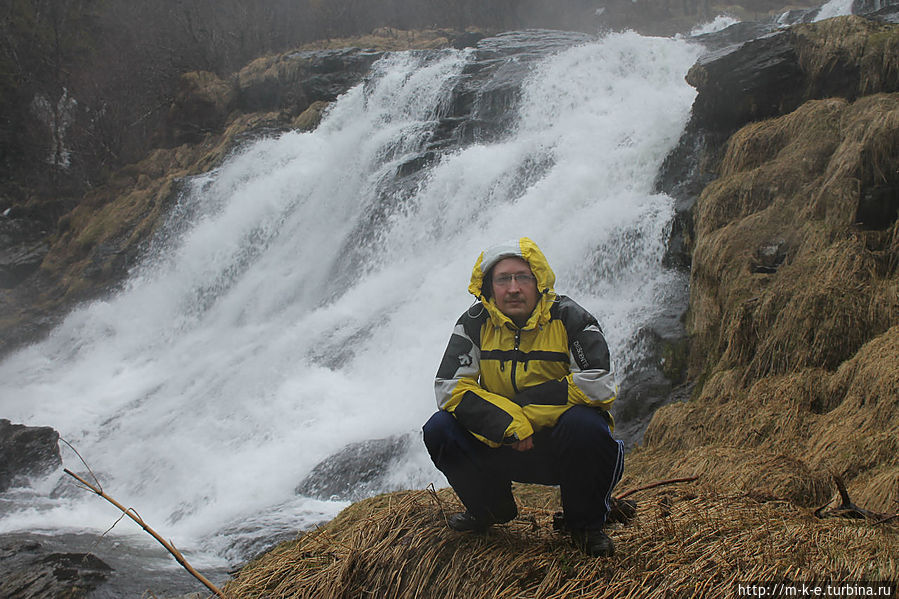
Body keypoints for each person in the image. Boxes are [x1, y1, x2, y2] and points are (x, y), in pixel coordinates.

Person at [423, 237, 624, 557]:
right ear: (489, 286)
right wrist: (506, 424)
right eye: (503, 279)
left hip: (563, 448)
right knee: (439, 427)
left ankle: (585, 525)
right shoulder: (473, 323)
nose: (513, 288)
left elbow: (598, 385)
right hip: (501, 440)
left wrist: (522, 415)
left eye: (522, 277)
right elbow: (449, 387)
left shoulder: (571, 317)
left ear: (538, 281)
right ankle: (490, 509)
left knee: (587, 424)